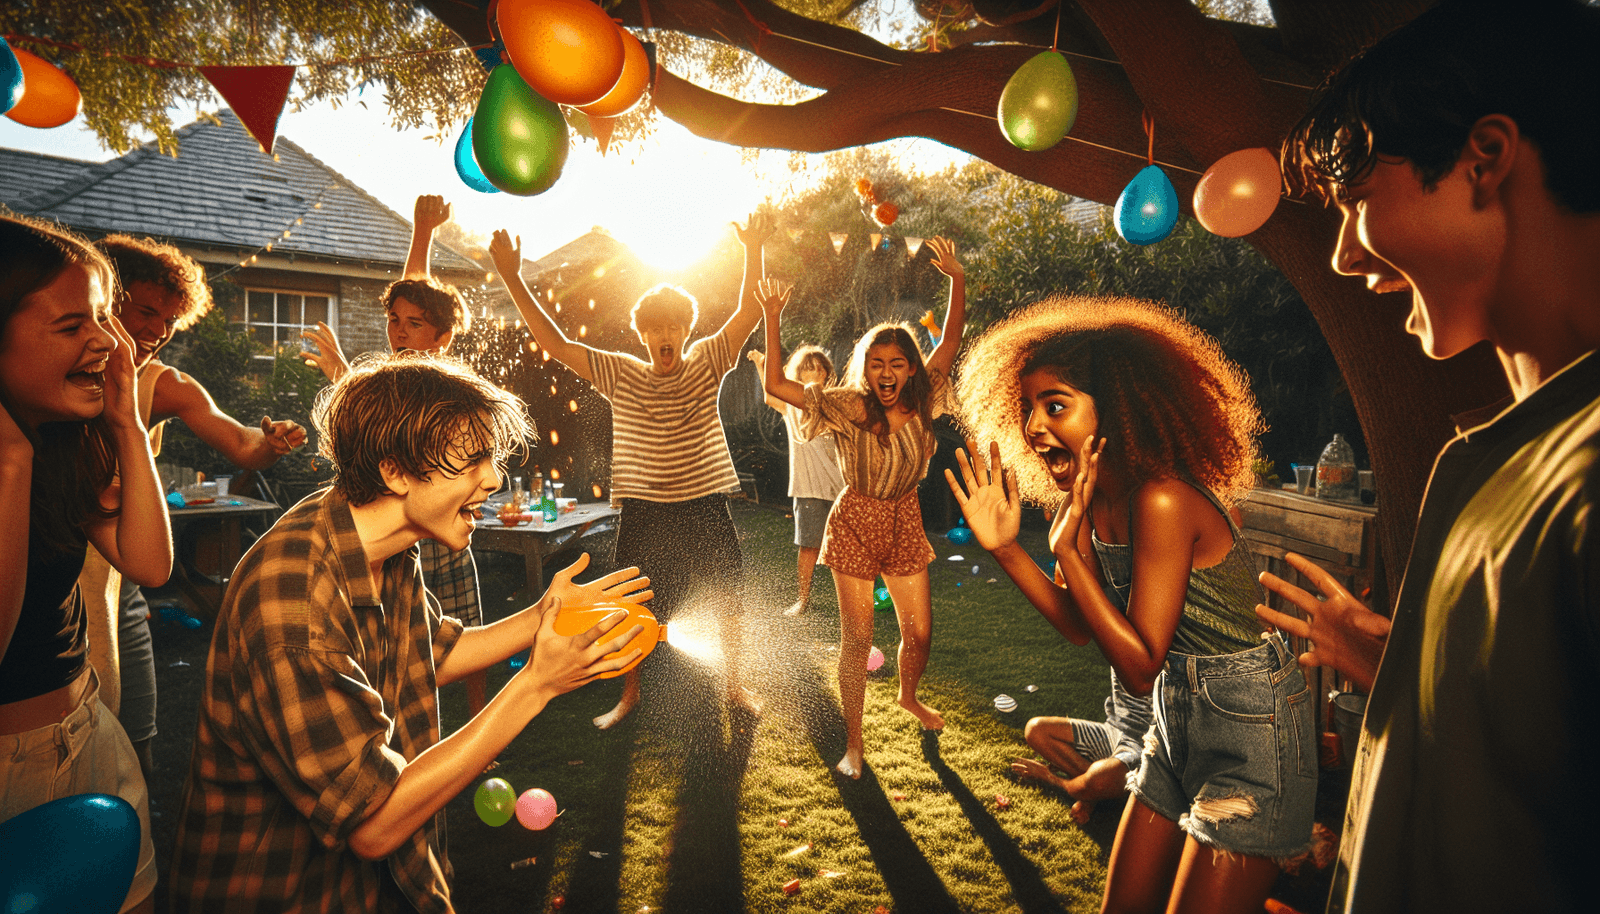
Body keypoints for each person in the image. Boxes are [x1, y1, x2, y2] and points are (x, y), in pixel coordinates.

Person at [1262, 1, 1600, 910]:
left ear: (1483, 160)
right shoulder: (1515, 454)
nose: (1341, 255)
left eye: (1357, 201)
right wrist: (1406, 665)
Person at [168, 353, 652, 913]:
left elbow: (431, 655)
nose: (494, 479)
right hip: (285, 893)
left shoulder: (381, 541)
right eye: (473, 460)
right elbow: (373, 826)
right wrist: (537, 685)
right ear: (395, 470)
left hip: (387, 886)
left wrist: (543, 612)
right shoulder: (293, 608)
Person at [946, 295, 1314, 914]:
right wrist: (1010, 550)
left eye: (1054, 405)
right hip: (1173, 722)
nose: (1033, 428)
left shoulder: (1162, 500)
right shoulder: (1092, 502)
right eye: (1028, 409)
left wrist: (1066, 549)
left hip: (1252, 728)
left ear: (1114, 409)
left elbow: (1139, 664)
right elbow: (1080, 626)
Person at [489, 214, 772, 729]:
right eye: (655, 328)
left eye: (673, 326)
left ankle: (734, 686)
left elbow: (750, 308)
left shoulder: (709, 359)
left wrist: (751, 247)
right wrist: (512, 276)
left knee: (729, 596)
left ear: (685, 330)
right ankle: (630, 692)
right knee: (633, 602)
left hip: (702, 500)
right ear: (642, 334)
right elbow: (556, 345)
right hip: (644, 508)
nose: (665, 335)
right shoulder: (620, 372)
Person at [80, 233, 306, 784]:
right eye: (147, 310)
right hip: (53, 583)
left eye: (171, 320)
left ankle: (141, 853)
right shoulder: (46, 374)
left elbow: (242, 443)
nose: (158, 331)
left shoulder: (163, 385)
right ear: (107, 300)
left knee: (138, 741)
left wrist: (270, 441)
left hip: (119, 588)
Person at [1, 213, 174, 914]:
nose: (107, 341)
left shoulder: (70, 444)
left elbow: (150, 563)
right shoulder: (18, 459)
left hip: (91, 735)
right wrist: (11, 462)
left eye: (103, 318)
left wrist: (126, 424)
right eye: (74, 326)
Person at [755, 235, 967, 779]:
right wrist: (772, 317)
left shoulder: (924, 400)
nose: (887, 372)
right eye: (876, 363)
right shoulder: (848, 405)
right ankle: (854, 745)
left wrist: (958, 282)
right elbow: (778, 382)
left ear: (911, 370)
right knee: (859, 641)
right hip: (854, 520)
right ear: (866, 369)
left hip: (904, 517)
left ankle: (908, 697)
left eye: (897, 363)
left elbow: (948, 346)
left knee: (919, 633)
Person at [302, 194, 489, 714]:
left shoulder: (447, 389)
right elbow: (373, 424)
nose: (399, 332)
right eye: (394, 321)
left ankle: (477, 714)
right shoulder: (393, 376)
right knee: (400, 634)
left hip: (443, 526)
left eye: (414, 325)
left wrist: (345, 374)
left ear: (444, 340)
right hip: (397, 528)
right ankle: (398, 710)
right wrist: (422, 230)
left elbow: (393, 426)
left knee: (463, 624)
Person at [746, 344, 846, 616]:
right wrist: (761, 364)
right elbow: (769, 395)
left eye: (819, 368)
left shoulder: (835, 402)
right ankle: (803, 600)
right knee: (809, 547)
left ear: (827, 374)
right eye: (807, 368)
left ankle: (851, 602)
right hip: (809, 488)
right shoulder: (791, 406)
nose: (814, 373)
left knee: (845, 550)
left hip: (841, 490)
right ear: (798, 374)